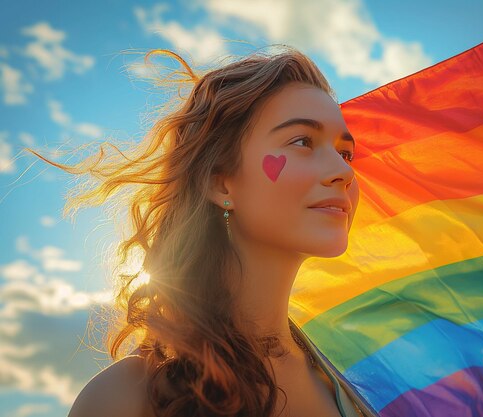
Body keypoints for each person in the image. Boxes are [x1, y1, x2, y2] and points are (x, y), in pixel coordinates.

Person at [26, 46, 363, 417]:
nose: (344, 172)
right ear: (221, 184)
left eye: (345, 153)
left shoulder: (360, 386)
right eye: (302, 142)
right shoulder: (126, 398)